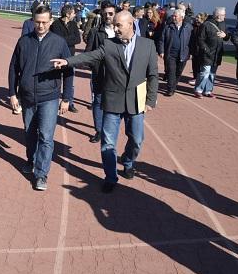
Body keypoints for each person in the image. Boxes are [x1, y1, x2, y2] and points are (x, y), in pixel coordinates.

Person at [51, 11, 158, 193]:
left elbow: (153, 75)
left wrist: (150, 100)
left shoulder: (148, 45)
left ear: (131, 24)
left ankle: (128, 160)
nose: (115, 29)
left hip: (136, 101)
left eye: (119, 25)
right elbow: (89, 56)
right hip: (112, 101)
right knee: (108, 142)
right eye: (114, 25)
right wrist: (67, 61)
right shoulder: (109, 45)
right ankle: (110, 176)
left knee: (137, 139)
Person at [9, 5, 74, 191]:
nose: (41, 25)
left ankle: (41, 174)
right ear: (33, 20)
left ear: (51, 21)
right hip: (27, 97)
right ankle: (31, 160)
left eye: (45, 22)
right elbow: (14, 69)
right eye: (37, 22)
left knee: (46, 137)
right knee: (29, 134)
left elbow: (69, 71)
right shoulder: (23, 41)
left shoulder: (59, 43)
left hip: (49, 97)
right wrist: (13, 93)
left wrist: (67, 98)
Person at [84, 2, 117, 143]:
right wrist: (95, 66)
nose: (108, 16)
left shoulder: (123, 30)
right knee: (98, 101)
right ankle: (99, 130)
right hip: (99, 74)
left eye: (110, 13)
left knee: (114, 102)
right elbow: (88, 52)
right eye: (105, 14)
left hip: (118, 75)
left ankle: (110, 129)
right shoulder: (95, 32)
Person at [50, 3, 81, 113]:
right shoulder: (56, 24)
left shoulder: (73, 24)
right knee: (56, 80)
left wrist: (64, 40)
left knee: (70, 81)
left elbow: (78, 39)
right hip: (58, 56)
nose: (74, 14)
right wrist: (68, 39)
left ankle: (70, 103)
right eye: (73, 13)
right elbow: (57, 39)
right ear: (68, 14)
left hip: (70, 57)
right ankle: (53, 102)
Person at [194, 7, 228, 98]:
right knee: (205, 72)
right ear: (218, 15)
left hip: (217, 54)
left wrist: (225, 35)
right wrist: (206, 50)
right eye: (223, 15)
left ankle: (208, 90)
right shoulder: (206, 24)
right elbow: (200, 39)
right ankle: (198, 90)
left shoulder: (223, 24)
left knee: (212, 73)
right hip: (207, 54)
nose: (225, 16)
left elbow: (227, 37)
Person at [158, 9, 193, 96]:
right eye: (173, 16)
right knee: (171, 71)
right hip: (171, 54)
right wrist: (161, 51)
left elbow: (192, 41)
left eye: (175, 16)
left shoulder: (188, 28)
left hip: (183, 54)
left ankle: (173, 86)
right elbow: (162, 40)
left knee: (178, 72)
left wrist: (191, 53)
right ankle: (170, 89)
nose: (173, 18)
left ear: (182, 17)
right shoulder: (168, 27)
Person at [188, 12, 208, 85]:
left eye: (198, 17)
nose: (196, 19)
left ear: (202, 18)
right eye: (196, 17)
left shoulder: (204, 26)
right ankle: (195, 77)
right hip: (194, 48)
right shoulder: (193, 26)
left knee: (200, 65)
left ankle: (199, 79)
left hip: (201, 49)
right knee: (194, 64)